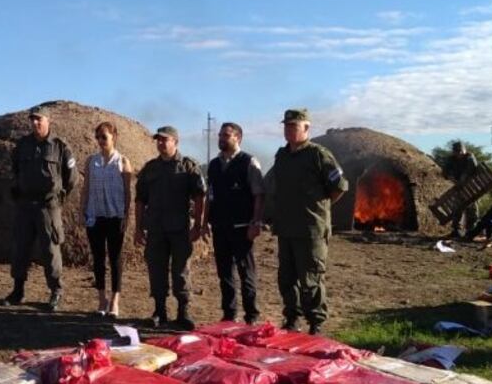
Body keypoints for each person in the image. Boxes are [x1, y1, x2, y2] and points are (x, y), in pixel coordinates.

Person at [264, 109, 347, 334]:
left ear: (306, 128)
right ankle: (292, 318)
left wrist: (320, 209)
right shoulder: (282, 156)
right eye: (286, 126)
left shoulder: (319, 155)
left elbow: (338, 186)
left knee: (310, 278)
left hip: (311, 229)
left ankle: (316, 322)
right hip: (286, 228)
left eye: (294, 126)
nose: (289, 130)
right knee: (286, 278)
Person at [2, 105, 77, 311]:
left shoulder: (60, 146)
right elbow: (15, 170)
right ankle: (18, 290)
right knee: (20, 248)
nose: (35, 123)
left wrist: (58, 196)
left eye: (39, 119)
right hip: (25, 205)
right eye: (32, 119)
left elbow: (71, 178)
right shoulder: (23, 145)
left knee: (50, 249)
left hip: (48, 206)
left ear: (48, 121)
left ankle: (55, 291)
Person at [134, 126, 205, 330]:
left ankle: (183, 312)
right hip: (155, 228)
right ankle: (160, 311)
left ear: (176, 142)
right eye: (158, 140)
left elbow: (200, 196)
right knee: (156, 269)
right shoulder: (150, 169)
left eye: (165, 140)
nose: (161, 143)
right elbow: (140, 200)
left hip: (180, 229)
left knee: (181, 270)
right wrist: (138, 228)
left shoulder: (187, 166)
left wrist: (198, 225)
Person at [201, 122, 264, 324]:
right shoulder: (213, 165)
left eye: (226, 135)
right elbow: (209, 196)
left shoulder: (248, 162)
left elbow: (258, 194)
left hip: (242, 227)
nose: (221, 138)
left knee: (247, 273)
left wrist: (255, 222)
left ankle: (251, 315)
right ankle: (229, 315)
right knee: (225, 273)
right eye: (220, 135)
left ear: (238, 138)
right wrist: (204, 223)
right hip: (220, 227)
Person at [80, 121, 133, 318]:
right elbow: (86, 188)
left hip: (115, 216)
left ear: (114, 137)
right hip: (95, 215)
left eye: (104, 137)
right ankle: (101, 298)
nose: (101, 140)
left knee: (115, 258)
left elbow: (128, 192)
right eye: (98, 137)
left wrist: (126, 215)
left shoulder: (123, 161)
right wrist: (81, 210)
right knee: (98, 259)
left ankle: (115, 300)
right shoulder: (91, 161)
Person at [444, 141, 479, 238]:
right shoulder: (451, 159)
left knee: (472, 208)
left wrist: (462, 180)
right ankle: (457, 230)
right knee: (457, 208)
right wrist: (452, 179)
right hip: (458, 186)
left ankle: (471, 230)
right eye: (456, 151)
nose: (459, 153)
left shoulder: (470, 158)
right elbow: (445, 171)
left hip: (470, 186)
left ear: (464, 150)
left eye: (460, 151)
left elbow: (470, 171)